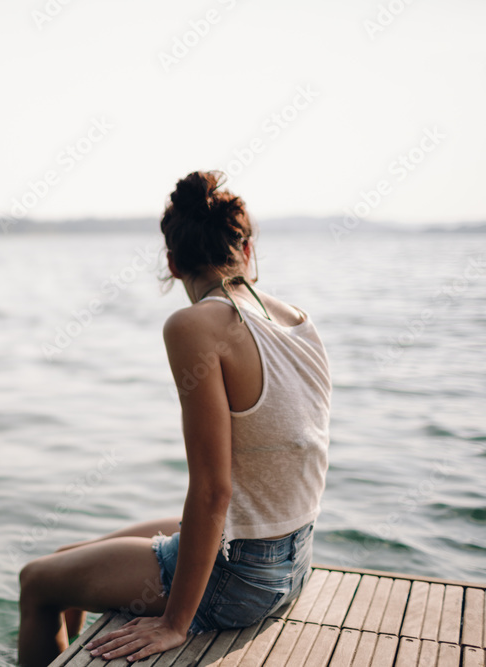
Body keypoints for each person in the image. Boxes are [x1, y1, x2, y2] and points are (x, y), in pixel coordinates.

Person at [16, 171, 332, 666]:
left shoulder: (194, 324)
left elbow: (212, 488)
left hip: (240, 580)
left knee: (35, 581)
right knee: (66, 557)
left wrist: (174, 624)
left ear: (171, 262)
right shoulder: (298, 319)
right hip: (294, 563)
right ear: (246, 250)